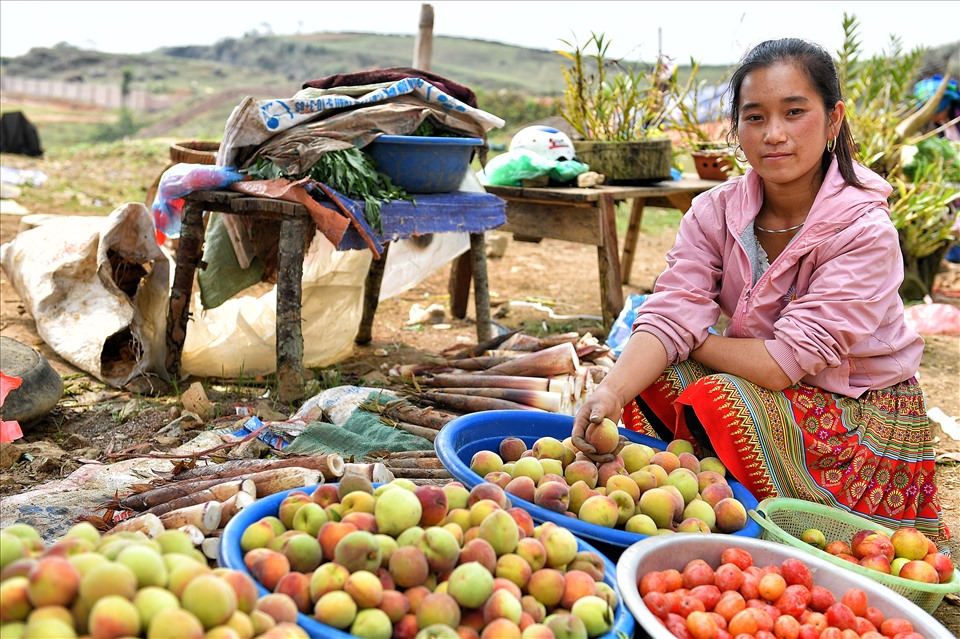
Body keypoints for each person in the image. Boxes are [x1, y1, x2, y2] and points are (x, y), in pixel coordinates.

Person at [572, 38, 950, 548]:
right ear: (737, 129)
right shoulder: (714, 212)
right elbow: (670, 313)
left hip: (859, 410)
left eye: (795, 112)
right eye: (755, 118)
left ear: (833, 120)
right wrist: (610, 391)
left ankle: (776, 522)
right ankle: (702, 511)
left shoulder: (864, 230)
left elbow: (784, 361)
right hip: (769, 384)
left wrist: (695, 340)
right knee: (646, 377)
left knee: (713, 393)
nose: (774, 134)